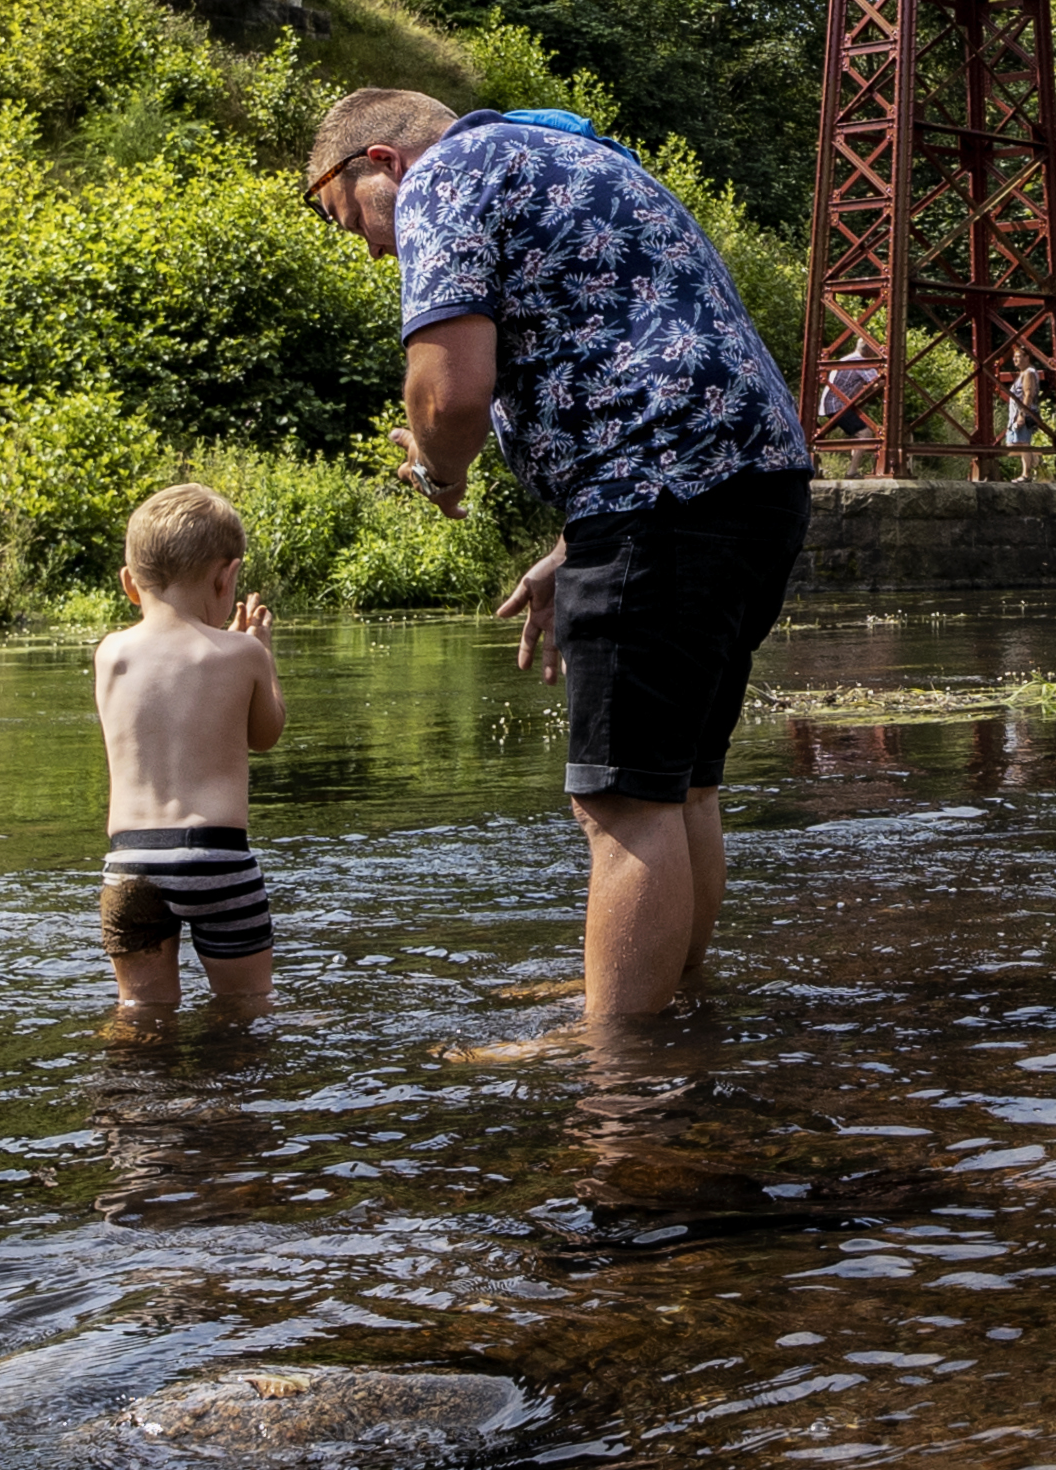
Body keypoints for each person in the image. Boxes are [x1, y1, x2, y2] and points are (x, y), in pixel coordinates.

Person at [306, 89, 816, 1021]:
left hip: (657, 496)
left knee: (624, 804)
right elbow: (642, 355)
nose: (374, 251)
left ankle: (613, 1057)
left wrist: (438, 475)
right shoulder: (578, 158)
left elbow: (451, 394)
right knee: (682, 784)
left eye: (350, 220)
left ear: (378, 161)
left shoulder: (443, 175)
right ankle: (664, 994)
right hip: (755, 484)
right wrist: (575, 547)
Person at [96, 480, 286, 1038]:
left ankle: (131, 1111)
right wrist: (263, 658)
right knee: (247, 1006)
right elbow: (265, 734)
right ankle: (228, 1115)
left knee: (142, 1012)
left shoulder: (111, 654)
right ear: (226, 577)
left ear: (130, 585)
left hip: (129, 863)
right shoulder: (242, 653)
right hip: (216, 860)